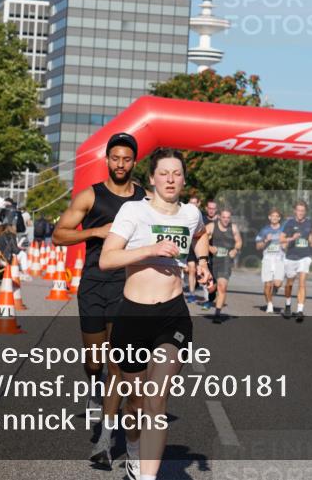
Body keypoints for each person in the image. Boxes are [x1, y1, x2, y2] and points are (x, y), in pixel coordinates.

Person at [100, 147, 212, 480]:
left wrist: (203, 263)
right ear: (151, 178)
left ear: (184, 179)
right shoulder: (133, 212)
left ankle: (148, 477)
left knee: (155, 398)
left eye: (177, 173)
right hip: (132, 315)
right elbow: (107, 259)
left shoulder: (191, 214)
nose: (170, 179)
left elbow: (202, 235)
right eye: (164, 173)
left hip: (172, 314)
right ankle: (133, 451)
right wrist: (150, 249)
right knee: (134, 404)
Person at [52, 132, 145, 470]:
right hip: (93, 285)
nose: (120, 164)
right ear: (107, 160)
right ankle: (94, 386)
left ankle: (104, 441)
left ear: (135, 162)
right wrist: (94, 231)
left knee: (118, 365)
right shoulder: (91, 196)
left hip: (128, 289)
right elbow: (59, 234)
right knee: (95, 362)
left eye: (127, 159)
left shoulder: (145, 202)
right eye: (115, 158)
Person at [281, 200, 312, 322]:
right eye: (298, 210)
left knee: (302, 282)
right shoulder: (289, 223)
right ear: (295, 211)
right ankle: (288, 305)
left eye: (303, 210)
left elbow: (309, 235)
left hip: (305, 256)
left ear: (305, 211)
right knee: (289, 283)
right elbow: (282, 239)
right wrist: (292, 238)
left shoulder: (309, 223)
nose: (300, 213)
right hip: (291, 256)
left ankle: (300, 310)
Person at [207, 208, 242, 324]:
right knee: (211, 288)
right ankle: (212, 290)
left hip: (225, 262)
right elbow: (201, 240)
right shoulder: (211, 226)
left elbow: (239, 241)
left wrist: (235, 250)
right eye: (224, 217)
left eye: (228, 217)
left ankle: (217, 313)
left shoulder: (233, 227)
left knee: (222, 287)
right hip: (211, 261)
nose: (226, 220)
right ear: (219, 217)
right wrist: (209, 248)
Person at [255, 209, 286, 313]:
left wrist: (285, 244)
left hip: (279, 259)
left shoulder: (284, 230)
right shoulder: (264, 230)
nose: (275, 218)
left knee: (277, 284)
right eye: (273, 216)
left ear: (279, 218)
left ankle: (275, 289)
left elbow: (288, 244)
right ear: (269, 217)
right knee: (267, 285)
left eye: (277, 216)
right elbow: (258, 246)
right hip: (267, 259)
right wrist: (265, 240)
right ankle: (269, 304)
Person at [184, 196, 202, 302]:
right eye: (190, 203)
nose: (193, 205)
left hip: (201, 247)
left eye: (195, 203)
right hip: (190, 245)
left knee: (198, 271)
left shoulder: (202, 217)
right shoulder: (186, 216)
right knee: (191, 269)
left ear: (199, 204)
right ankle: (192, 294)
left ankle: (209, 296)